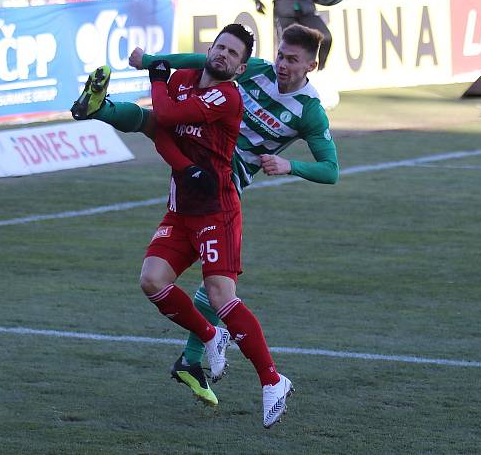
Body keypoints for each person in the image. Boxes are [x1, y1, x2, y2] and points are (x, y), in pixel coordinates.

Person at [71, 23, 337, 414]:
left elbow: (331, 169)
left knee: (217, 289)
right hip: (197, 164)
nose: (282, 64)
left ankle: (237, 366)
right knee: (157, 124)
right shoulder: (253, 69)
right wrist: (154, 62)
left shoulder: (308, 111)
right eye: (280, 54)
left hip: (222, 180)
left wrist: (289, 164)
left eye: (292, 60)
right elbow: (205, 61)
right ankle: (197, 355)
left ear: (311, 66)